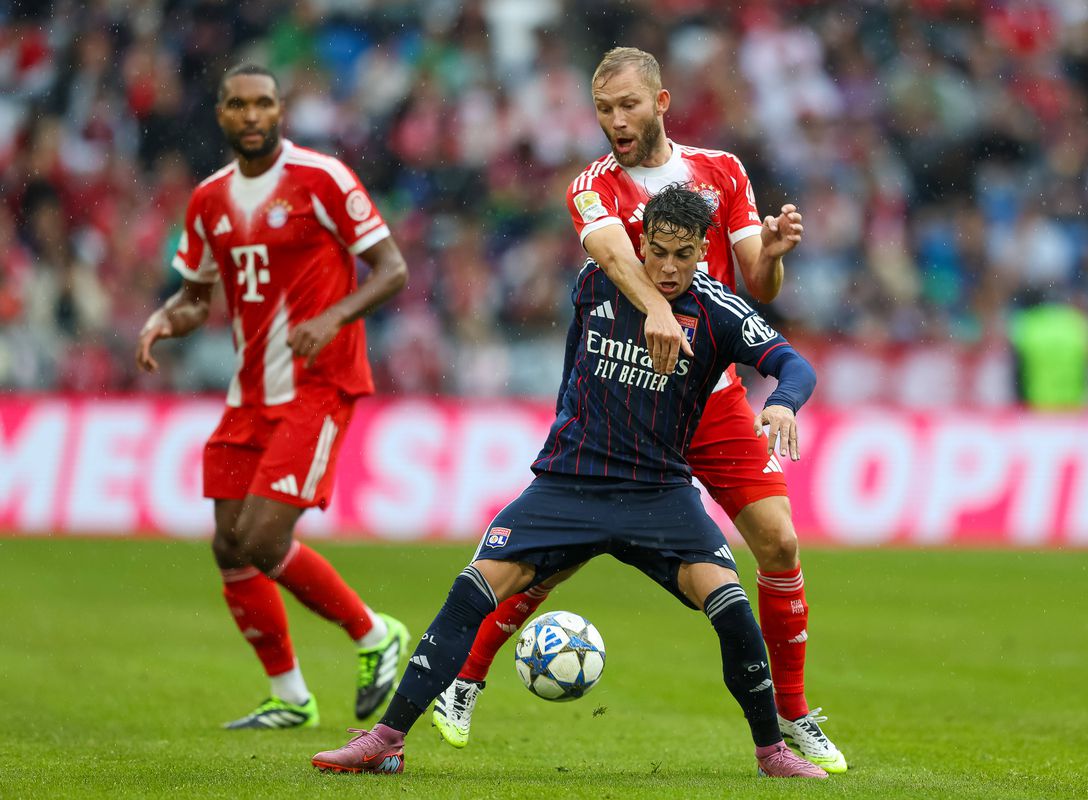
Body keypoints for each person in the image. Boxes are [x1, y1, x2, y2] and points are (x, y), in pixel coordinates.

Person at [311, 184, 825, 779]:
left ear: (702, 252)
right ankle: (386, 740)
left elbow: (795, 365)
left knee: (732, 609)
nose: (668, 267)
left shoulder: (718, 311)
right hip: (569, 483)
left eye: (683, 255)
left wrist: (782, 402)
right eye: (658, 251)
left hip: (658, 493)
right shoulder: (596, 281)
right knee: (470, 592)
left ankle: (772, 753)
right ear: (641, 243)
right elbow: (579, 334)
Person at [431, 47, 846, 773]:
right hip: (627, 399)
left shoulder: (722, 171)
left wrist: (775, 254)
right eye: (603, 110)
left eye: (627, 106)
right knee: (549, 560)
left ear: (660, 103)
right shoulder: (593, 185)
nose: (616, 121)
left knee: (780, 542)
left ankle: (793, 711)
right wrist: (657, 308)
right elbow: (613, 257)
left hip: (709, 396)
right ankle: (463, 681)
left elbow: (756, 284)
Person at [135, 64, 412, 729]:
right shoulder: (208, 200)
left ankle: (376, 634)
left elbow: (393, 269)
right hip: (252, 390)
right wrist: (164, 319)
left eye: (263, 103)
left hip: (320, 382)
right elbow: (196, 298)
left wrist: (333, 317)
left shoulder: (322, 178)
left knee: (262, 538)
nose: (252, 114)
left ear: (281, 109)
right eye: (238, 104)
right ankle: (290, 696)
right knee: (229, 545)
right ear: (221, 114)